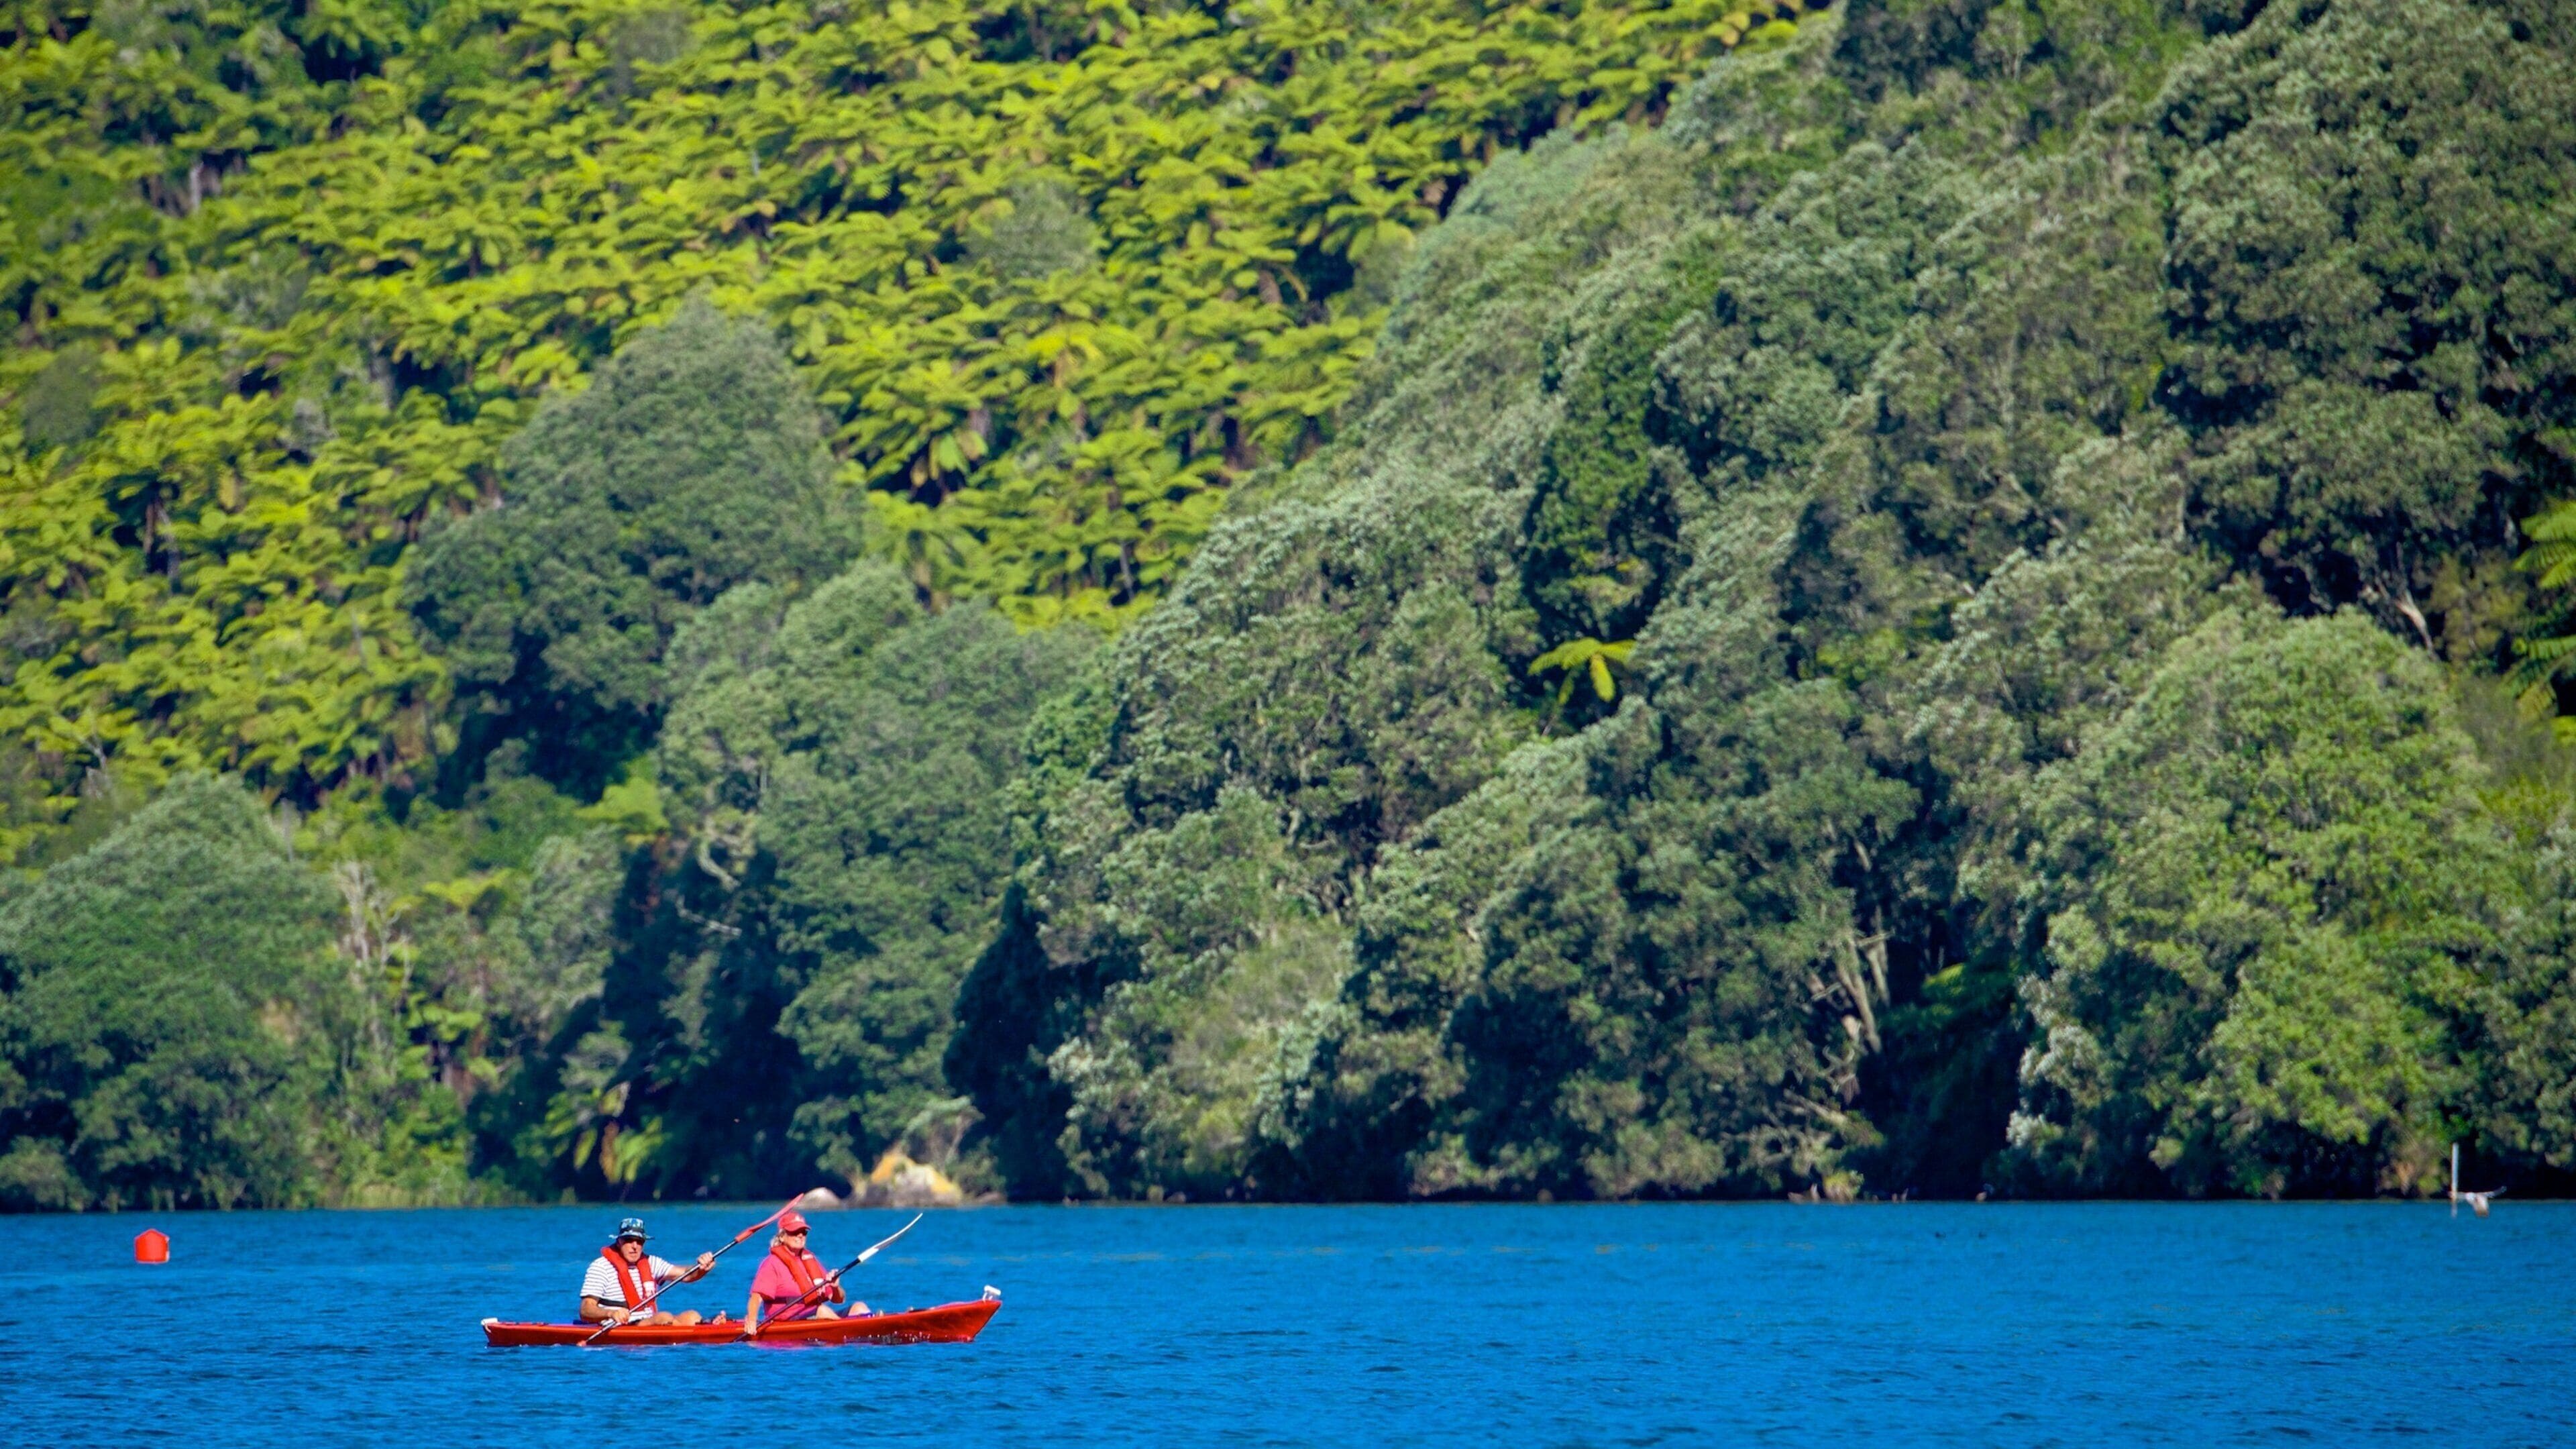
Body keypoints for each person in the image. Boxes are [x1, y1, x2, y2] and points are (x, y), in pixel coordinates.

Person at [743, 1211, 867, 1336]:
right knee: (822, 1311)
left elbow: (838, 1300)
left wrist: (835, 1287)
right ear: (782, 1237)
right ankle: (853, 1335)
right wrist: (752, 1320)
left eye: (804, 1232)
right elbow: (756, 1297)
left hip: (813, 1313)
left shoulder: (809, 1259)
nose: (800, 1236)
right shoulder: (771, 1263)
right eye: (795, 1232)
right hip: (786, 1318)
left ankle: (868, 1329)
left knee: (859, 1307)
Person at [580, 1218, 719, 1327]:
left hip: (651, 1322)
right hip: (618, 1326)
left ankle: (709, 1324)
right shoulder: (600, 1267)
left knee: (692, 1316)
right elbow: (586, 1310)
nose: (635, 1246)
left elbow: (687, 1275)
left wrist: (701, 1268)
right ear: (619, 1241)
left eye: (639, 1241)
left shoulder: (652, 1262)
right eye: (629, 1240)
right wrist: (611, 1313)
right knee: (664, 1317)